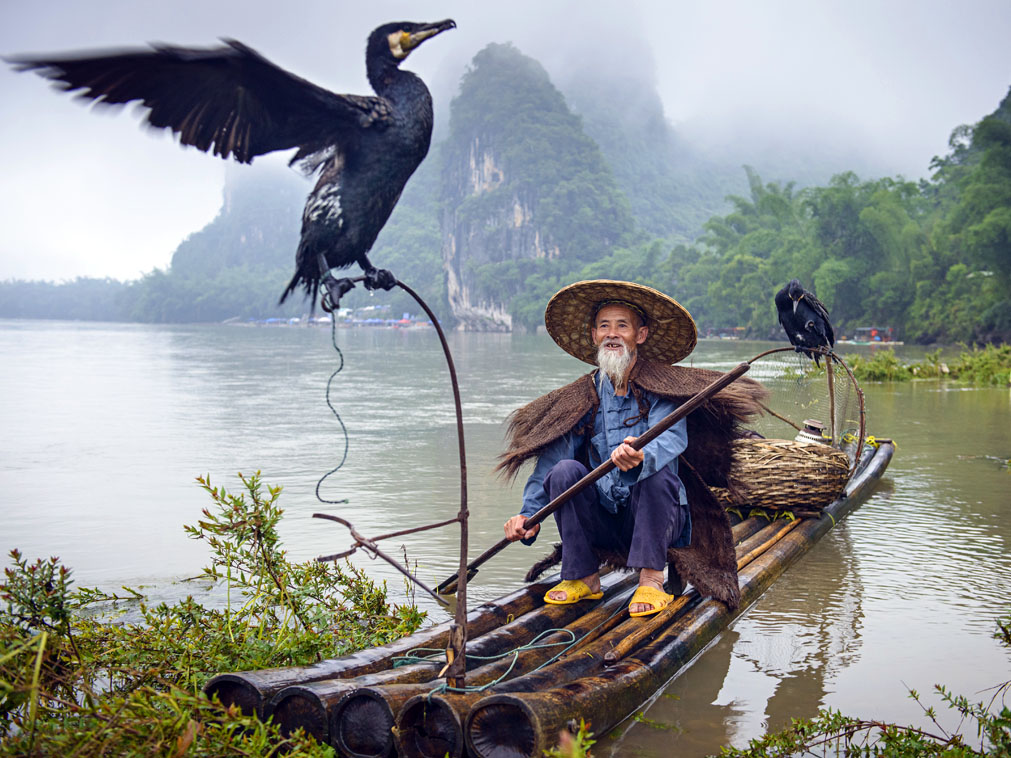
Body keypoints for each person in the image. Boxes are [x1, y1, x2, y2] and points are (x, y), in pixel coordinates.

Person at [498, 280, 767, 617]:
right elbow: (553, 458)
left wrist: (642, 457)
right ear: (594, 335)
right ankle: (584, 577)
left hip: (656, 520)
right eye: (604, 326)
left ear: (640, 335)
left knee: (656, 476)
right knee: (563, 472)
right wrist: (528, 513)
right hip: (607, 521)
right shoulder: (583, 395)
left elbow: (672, 439)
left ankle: (651, 580)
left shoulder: (661, 387)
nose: (612, 334)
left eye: (622, 326)